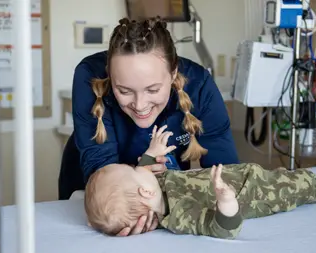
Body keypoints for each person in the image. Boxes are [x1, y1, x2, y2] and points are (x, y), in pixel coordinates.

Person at [58, 16, 240, 236]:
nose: (140, 105)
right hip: (105, 198)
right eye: (124, 91)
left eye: (153, 90)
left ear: (173, 74)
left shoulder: (199, 86)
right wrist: (127, 211)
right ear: (109, 76)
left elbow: (225, 171)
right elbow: (101, 169)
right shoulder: (90, 75)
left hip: (159, 198)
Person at [84, 126, 316, 239]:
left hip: (246, 175)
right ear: (144, 190)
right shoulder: (179, 215)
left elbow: (146, 172)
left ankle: (281, 175)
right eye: (132, 168)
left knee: (279, 174)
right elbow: (222, 230)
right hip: (256, 193)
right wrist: (226, 202)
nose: (139, 165)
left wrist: (151, 153)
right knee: (301, 183)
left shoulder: (157, 187)